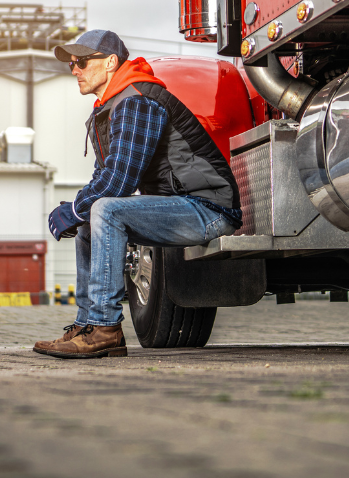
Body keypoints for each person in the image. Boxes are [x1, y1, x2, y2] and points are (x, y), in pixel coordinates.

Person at [33, 30, 241, 359]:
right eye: (72, 64)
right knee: (91, 217)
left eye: (82, 62)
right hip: (179, 205)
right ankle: (87, 324)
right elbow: (105, 177)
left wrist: (74, 209)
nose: (75, 70)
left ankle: (106, 329)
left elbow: (117, 183)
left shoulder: (137, 99)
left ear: (111, 62)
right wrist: (77, 211)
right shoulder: (113, 103)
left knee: (103, 210)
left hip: (208, 208)